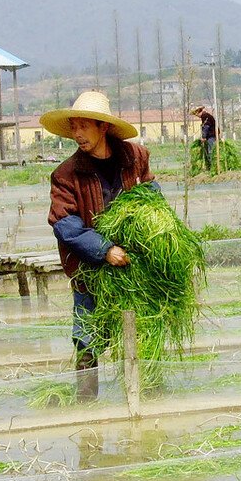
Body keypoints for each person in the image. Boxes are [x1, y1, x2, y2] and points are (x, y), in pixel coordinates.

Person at [43, 91, 157, 402]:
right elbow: (65, 225)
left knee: (145, 332)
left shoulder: (136, 158)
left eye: (84, 126)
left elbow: (152, 200)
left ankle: (143, 398)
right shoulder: (66, 175)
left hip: (135, 269)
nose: (77, 134)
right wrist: (105, 250)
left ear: (102, 127)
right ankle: (86, 402)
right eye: (74, 128)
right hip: (90, 271)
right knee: (87, 337)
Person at [191, 105, 217, 171]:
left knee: (211, 151)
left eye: (196, 114)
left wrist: (203, 137)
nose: (197, 116)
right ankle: (211, 167)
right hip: (211, 135)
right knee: (210, 151)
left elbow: (206, 127)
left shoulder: (204, 116)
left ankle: (213, 167)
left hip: (211, 136)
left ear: (198, 112)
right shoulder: (206, 115)